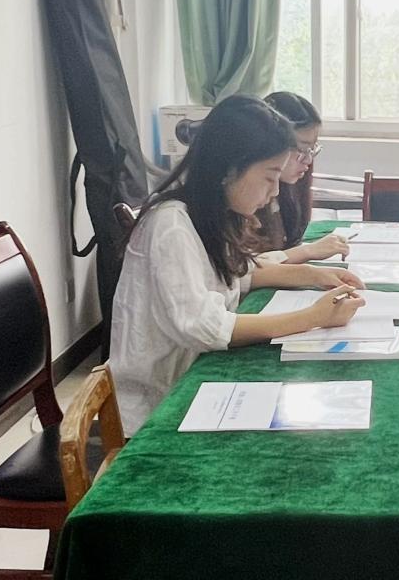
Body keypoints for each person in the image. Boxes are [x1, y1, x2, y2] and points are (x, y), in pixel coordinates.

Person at [110, 95, 366, 434]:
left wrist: (311, 274)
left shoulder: (212, 213)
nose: (275, 192)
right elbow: (205, 326)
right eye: (269, 177)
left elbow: (239, 274)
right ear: (229, 168)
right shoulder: (171, 225)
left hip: (196, 386)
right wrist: (312, 318)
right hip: (157, 408)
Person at [256, 91, 349, 263]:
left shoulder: (289, 188)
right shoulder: (247, 197)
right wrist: (307, 251)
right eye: (302, 149)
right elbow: (245, 270)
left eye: (312, 149)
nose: (308, 160)